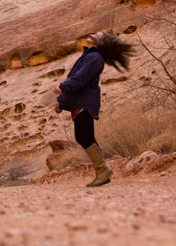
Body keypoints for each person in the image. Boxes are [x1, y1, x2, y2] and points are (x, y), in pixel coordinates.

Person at [53, 31, 135, 187]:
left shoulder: (94, 57)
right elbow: (79, 81)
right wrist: (62, 101)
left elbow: (80, 79)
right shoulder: (91, 56)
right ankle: (102, 171)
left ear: (101, 42)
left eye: (97, 34)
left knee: (82, 137)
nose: (92, 34)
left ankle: (102, 170)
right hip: (84, 101)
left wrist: (62, 87)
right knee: (88, 137)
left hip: (85, 103)